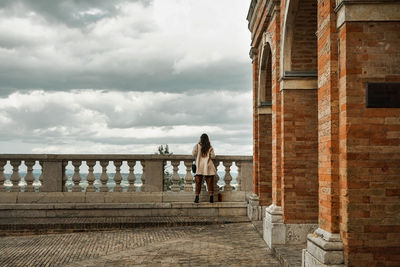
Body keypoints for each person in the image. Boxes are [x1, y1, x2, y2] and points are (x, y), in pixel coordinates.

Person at [192, 133, 216, 203]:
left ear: (201, 139)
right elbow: (213, 156)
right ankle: (211, 198)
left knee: (198, 183)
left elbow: (193, 154)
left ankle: (197, 197)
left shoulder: (197, 146)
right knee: (210, 183)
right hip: (208, 166)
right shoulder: (210, 147)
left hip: (199, 166)